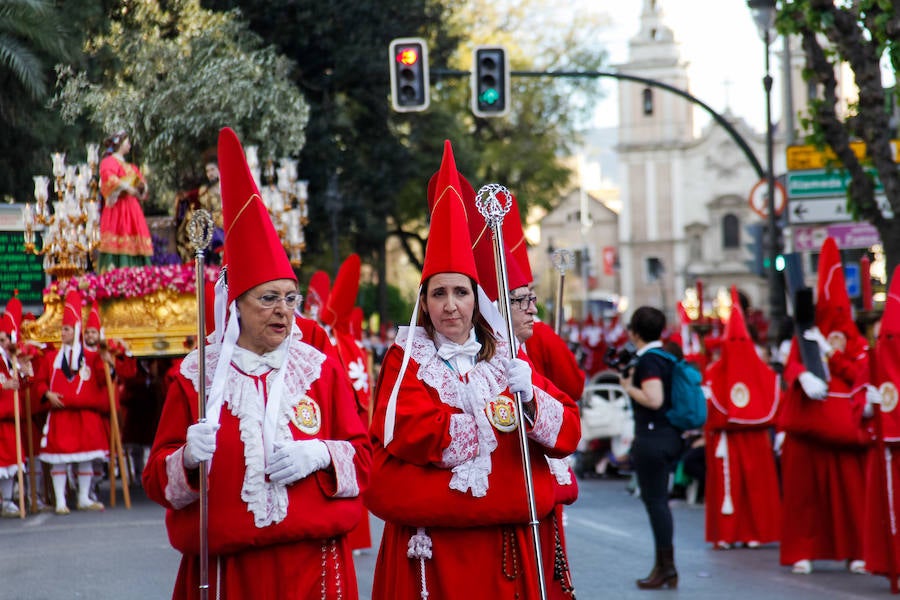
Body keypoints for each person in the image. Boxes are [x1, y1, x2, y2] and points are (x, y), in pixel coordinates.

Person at [142, 127, 371, 600]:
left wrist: (323, 453)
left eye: (290, 298)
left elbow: (365, 459)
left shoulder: (318, 368)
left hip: (316, 569)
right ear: (236, 307)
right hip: (230, 575)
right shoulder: (195, 378)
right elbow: (157, 480)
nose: (284, 310)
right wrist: (183, 458)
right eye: (268, 299)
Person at [366, 141, 581, 599]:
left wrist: (528, 399)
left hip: (502, 549)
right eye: (438, 293)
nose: (450, 306)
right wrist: (494, 430)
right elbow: (411, 429)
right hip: (433, 551)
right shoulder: (408, 359)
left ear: (476, 300)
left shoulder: (506, 358)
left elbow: (568, 429)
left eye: (460, 293)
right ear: (423, 300)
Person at [778, 237, 870, 575]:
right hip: (808, 426)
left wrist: (831, 355)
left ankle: (857, 550)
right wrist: (802, 375)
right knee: (804, 496)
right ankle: (802, 550)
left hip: (845, 426)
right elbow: (791, 365)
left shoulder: (856, 341)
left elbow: (861, 371)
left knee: (851, 495)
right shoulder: (805, 334)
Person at [702, 287, 781, 549]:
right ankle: (728, 532)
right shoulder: (716, 369)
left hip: (748, 436)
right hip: (730, 439)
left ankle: (753, 532)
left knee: (755, 487)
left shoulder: (754, 365)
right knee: (731, 488)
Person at [619, 305, 683, 589]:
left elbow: (654, 399)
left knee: (656, 503)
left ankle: (666, 567)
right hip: (669, 435)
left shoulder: (649, 361)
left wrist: (628, 387)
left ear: (635, 332)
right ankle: (663, 565)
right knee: (658, 503)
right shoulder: (667, 357)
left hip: (653, 437)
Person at [34, 289, 110, 514]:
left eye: (66, 329)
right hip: (60, 416)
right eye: (62, 329)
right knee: (59, 460)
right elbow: (39, 382)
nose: (62, 333)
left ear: (76, 330)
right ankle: (60, 501)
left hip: (86, 417)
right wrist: (47, 394)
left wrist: (108, 359)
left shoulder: (93, 357)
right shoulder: (50, 358)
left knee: (85, 458)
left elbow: (103, 378)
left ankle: (84, 498)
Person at [97, 130, 154, 272]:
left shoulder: (131, 167)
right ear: (120, 144)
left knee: (135, 242)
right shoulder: (108, 162)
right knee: (118, 239)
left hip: (132, 209)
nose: (129, 145)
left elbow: (142, 184)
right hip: (118, 208)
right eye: (127, 141)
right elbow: (109, 179)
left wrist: (141, 188)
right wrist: (127, 187)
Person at [175, 157, 224, 264]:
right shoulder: (203, 191)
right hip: (211, 226)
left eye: (212, 170)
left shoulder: (226, 187)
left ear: (219, 169)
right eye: (207, 171)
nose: (210, 173)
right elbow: (188, 198)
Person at [0, 302, 24, 517]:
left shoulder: (13, 360)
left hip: (9, 420)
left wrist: (25, 371)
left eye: (4, 339)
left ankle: (7, 501)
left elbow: (30, 384)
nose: (3, 343)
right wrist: (2, 385)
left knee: (9, 464)